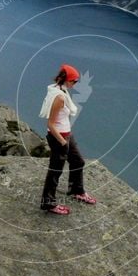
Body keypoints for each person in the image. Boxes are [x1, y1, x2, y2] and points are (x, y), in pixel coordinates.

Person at [39, 64, 97, 214]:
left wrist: (66, 138)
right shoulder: (59, 98)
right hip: (59, 138)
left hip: (66, 135)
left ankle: (76, 191)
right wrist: (63, 141)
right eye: (74, 81)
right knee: (55, 171)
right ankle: (48, 204)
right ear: (67, 80)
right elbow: (50, 124)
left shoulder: (61, 90)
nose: (75, 84)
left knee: (78, 161)